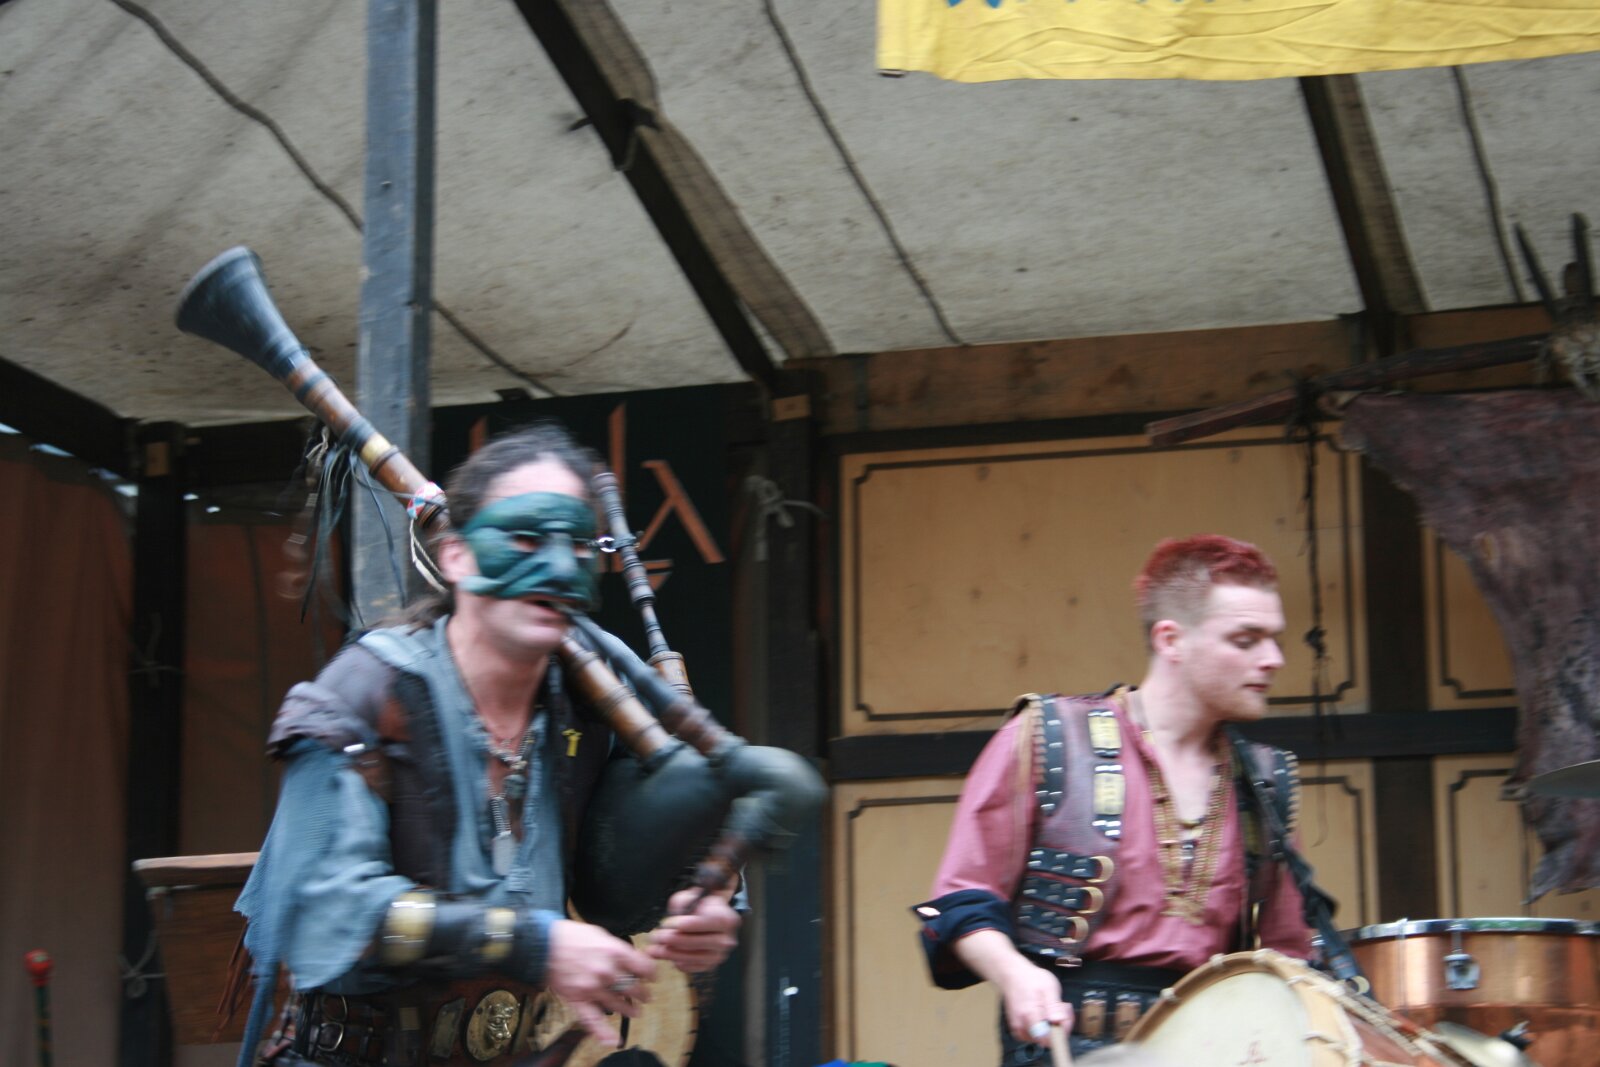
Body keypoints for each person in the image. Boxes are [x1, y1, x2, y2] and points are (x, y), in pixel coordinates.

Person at [232, 423, 742, 1066]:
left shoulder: (587, 708)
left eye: (576, 545)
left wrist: (710, 897)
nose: (557, 567)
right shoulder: (366, 693)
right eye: (524, 538)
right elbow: (324, 907)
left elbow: (687, 815)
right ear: (456, 556)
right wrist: (534, 944)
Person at [913, 535, 1316, 1064]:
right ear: (1171, 639)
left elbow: (1291, 955)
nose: (1273, 659)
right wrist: (1015, 975)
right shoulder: (1048, 736)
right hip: (1065, 1048)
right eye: (1246, 640)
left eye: (1274, 639)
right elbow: (958, 902)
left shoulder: (1264, 781)